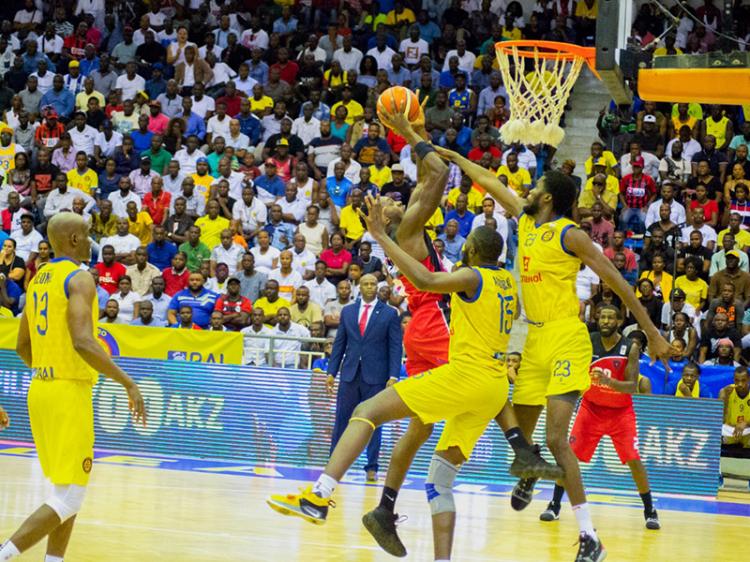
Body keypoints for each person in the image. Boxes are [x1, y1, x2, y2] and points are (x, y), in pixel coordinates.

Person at [437, 146, 674, 561]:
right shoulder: (526, 221)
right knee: (524, 440)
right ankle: (531, 470)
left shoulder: (571, 234)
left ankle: (589, 536)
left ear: (547, 197)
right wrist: (452, 156)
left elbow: (615, 279)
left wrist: (651, 332)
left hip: (566, 337)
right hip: (534, 340)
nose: (528, 188)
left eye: (536, 185)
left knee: (554, 438)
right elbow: (490, 182)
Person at [268, 211, 518, 562]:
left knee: (366, 412)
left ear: (472, 250)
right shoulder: (507, 282)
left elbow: (427, 278)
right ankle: (415, 535)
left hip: (465, 374)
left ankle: (319, 496)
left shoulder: (471, 276)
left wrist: (381, 236)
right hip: (492, 389)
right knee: (438, 481)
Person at [0, 213, 145, 562]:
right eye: (88, 234)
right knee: (70, 498)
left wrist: (50, 365)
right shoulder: (78, 278)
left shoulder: (37, 280)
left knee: (64, 491)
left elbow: (23, 346)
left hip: (41, 389)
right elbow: (83, 341)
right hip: (68, 392)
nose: (92, 240)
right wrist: (128, 383)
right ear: (75, 240)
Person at [539, 305, 660, 530]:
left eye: (610, 318)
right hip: (591, 409)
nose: (605, 321)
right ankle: (554, 505)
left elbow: (632, 386)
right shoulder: (587, 341)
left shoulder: (629, 347)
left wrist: (610, 383)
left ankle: (650, 510)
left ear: (619, 321)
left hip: (620, 413)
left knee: (634, 460)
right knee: (568, 456)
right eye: (602, 317)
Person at [326, 273, 402, 482]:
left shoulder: (389, 313)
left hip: (376, 375)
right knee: (342, 419)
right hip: (350, 374)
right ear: (359, 287)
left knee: (373, 422)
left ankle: (372, 467)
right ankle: (334, 463)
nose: (369, 287)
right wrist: (331, 372)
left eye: (373, 284)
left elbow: (395, 347)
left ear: (377, 287)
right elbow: (340, 343)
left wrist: (393, 375)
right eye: (365, 284)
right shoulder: (348, 311)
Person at [719, 367, 750, 449]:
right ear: (733, 379)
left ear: (748, 379)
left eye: (743, 380)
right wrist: (725, 399)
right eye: (737, 380)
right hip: (729, 430)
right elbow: (720, 420)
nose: (740, 384)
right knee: (714, 435)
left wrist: (746, 423)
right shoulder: (725, 391)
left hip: (747, 430)